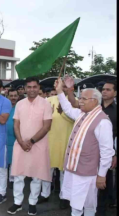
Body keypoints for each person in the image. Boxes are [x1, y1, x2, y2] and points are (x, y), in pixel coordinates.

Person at [55, 77, 115, 216]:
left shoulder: (102, 121)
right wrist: (59, 91)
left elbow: (107, 152)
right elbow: (68, 109)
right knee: (82, 204)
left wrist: (101, 176)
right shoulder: (83, 114)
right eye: (80, 98)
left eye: (83, 99)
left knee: (81, 206)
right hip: (75, 169)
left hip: (87, 173)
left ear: (94, 101)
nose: (79, 101)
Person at [7, 77, 52, 215]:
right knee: (19, 175)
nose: (32, 89)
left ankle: (32, 203)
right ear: (25, 89)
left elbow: (46, 127)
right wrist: (21, 141)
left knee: (36, 176)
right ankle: (17, 202)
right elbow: (16, 124)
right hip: (20, 144)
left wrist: (31, 141)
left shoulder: (46, 104)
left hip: (38, 145)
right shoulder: (20, 104)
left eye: (34, 87)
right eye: (29, 87)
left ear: (38, 88)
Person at [38, 78, 77, 209]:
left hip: (66, 141)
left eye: (66, 86)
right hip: (49, 140)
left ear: (71, 88)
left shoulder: (74, 101)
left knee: (64, 172)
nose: (64, 88)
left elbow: (74, 115)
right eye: (62, 86)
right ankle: (45, 193)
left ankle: (64, 196)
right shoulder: (48, 100)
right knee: (46, 169)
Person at [97, 80, 117, 216]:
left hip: (108, 152)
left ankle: (102, 210)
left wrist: (115, 154)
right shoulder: (95, 108)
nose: (104, 91)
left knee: (104, 179)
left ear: (115, 93)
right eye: (103, 89)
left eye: (108, 89)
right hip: (91, 150)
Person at [6, 89, 19, 189]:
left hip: (16, 138)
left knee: (14, 161)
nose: (13, 98)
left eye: (15, 95)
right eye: (11, 95)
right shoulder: (4, 108)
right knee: (4, 161)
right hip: (4, 138)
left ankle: (12, 179)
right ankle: (1, 180)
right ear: (8, 96)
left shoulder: (20, 108)